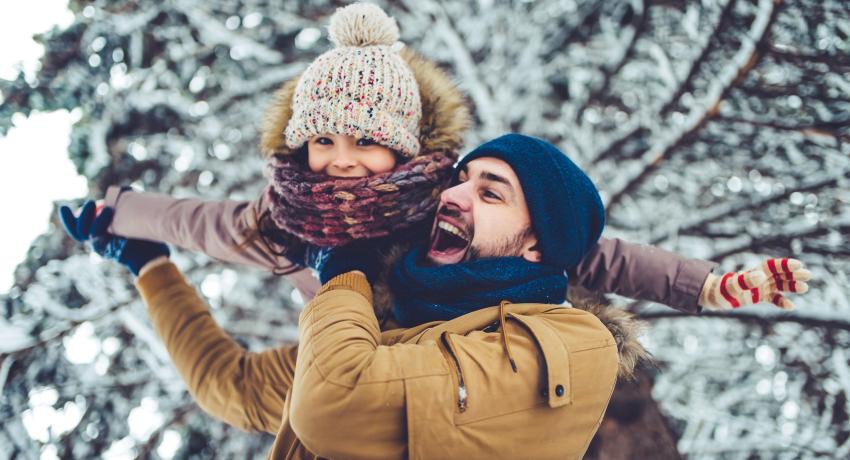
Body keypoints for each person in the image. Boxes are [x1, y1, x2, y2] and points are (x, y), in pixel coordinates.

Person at [61, 134, 811, 459]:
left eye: (491, 190)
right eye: (460, 180)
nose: (457, 194)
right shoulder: (377, 327)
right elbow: (229, 384)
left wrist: (704, 284)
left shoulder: (569, 347)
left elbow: (335, 405)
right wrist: (148, 261)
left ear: (537, 244)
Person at [73, 3, 806, 324]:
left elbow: (601, 258)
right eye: (322, 142)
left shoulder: (441, 204)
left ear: (402, 149)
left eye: (364, 143)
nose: (341, 163)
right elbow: (205, 224)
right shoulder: (290, 223)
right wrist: (123, 209)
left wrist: (708, 285)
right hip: (358, 376)